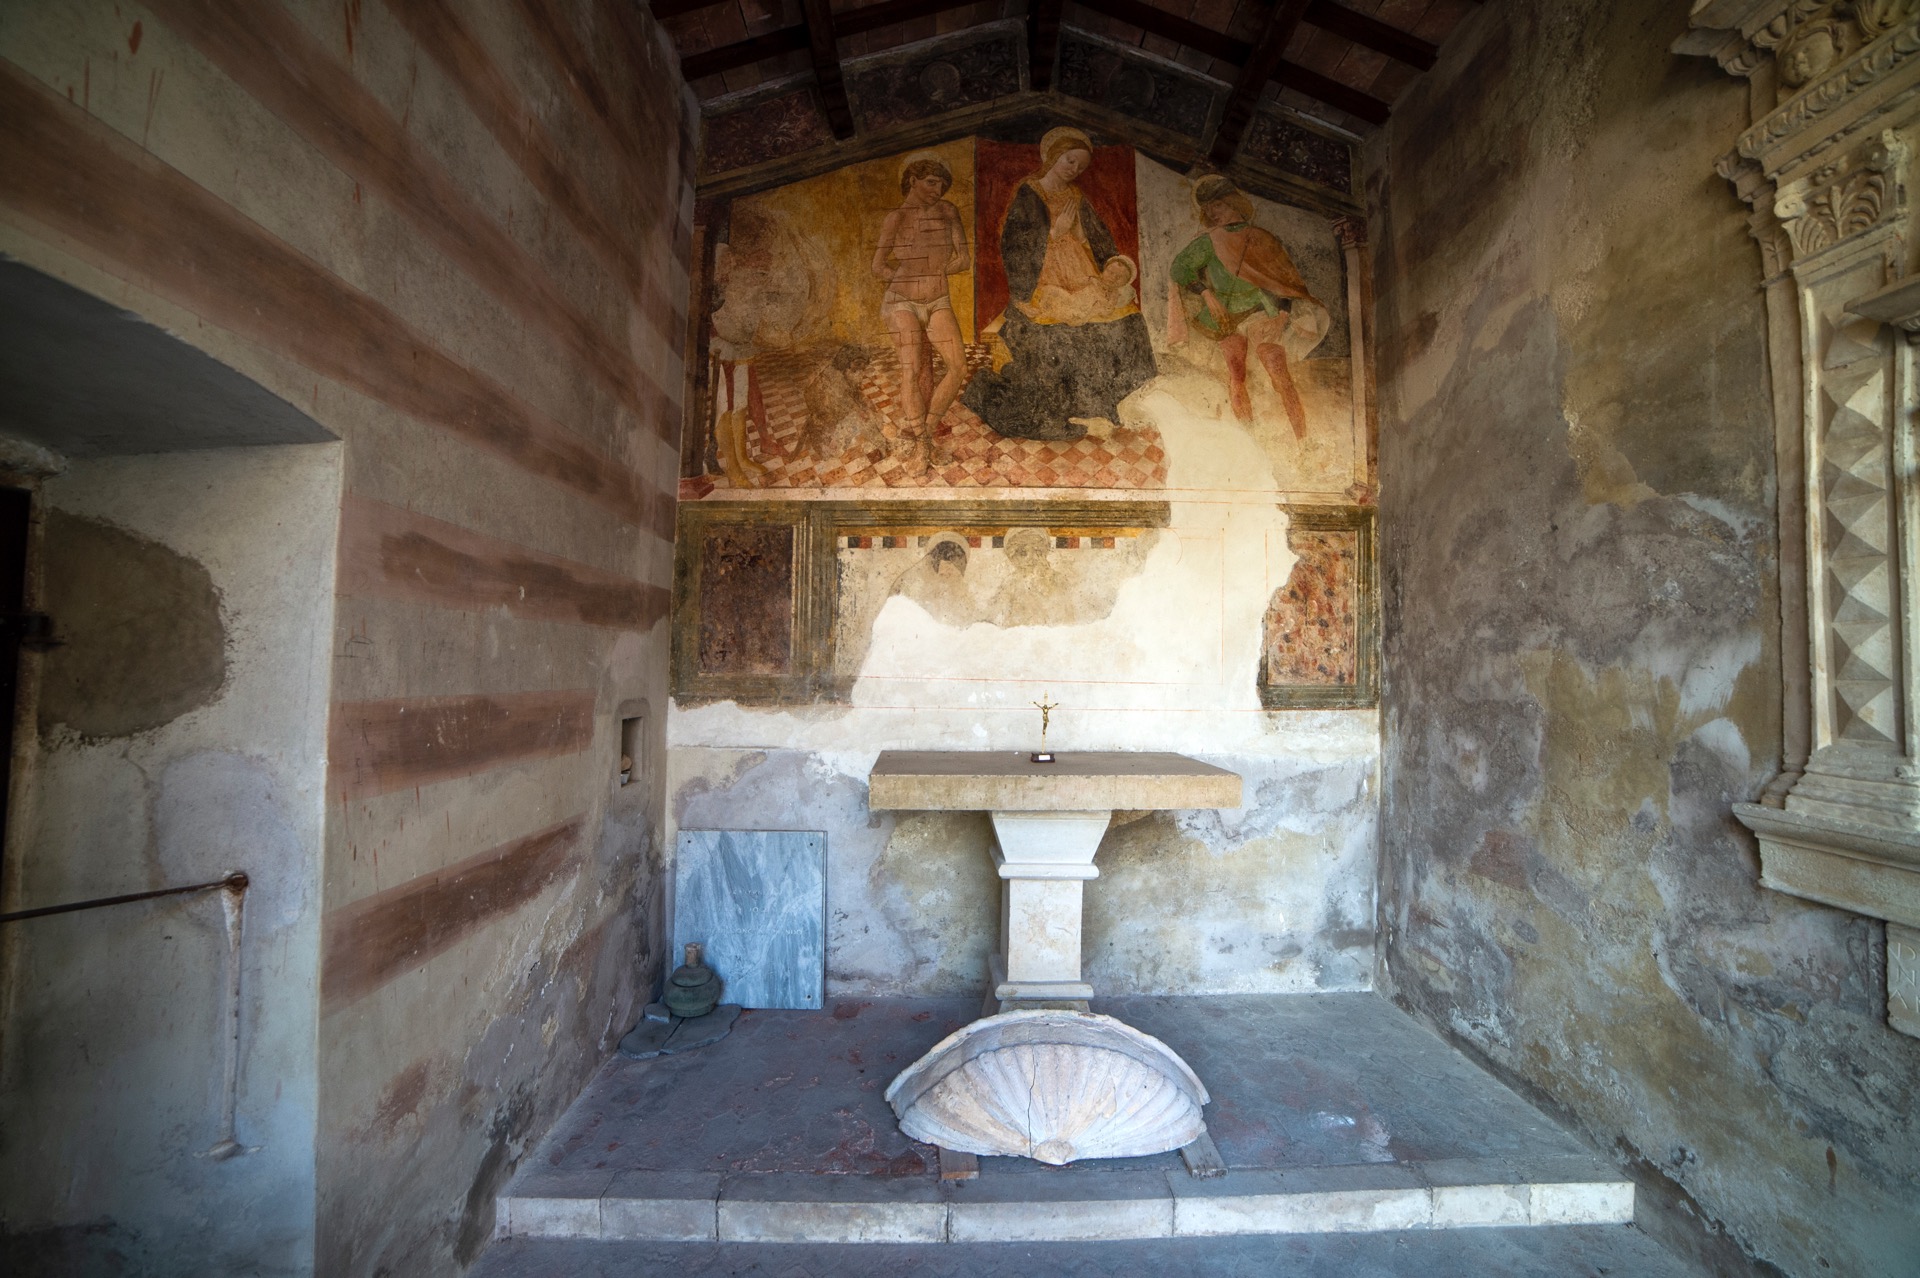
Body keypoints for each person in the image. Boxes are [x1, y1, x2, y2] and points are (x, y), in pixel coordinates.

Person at [963, 127, 1157, 442]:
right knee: (1061, 331)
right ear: (1054, 156)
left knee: (1128, 321)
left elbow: (1097, 236)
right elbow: (1015, 244)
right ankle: (1077, 407)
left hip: (1079, 271)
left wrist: (1096, 252)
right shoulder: (1030, 192)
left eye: (1080, 166)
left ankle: (1112, 403)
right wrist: (1054, 233)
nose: (1074, 169)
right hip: (1042, 278)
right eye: (1069, 160)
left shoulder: (1076, 196)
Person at [1168, 174, 1329, 437]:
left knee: (1280, 376)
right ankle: (1250, 439)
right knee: (1236, 376)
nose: (1213, 213)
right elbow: (1179, 268)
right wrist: (1207, 295)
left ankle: (1303, 440)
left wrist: (1282, 315)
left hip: (1260, 309)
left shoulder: (1261, 237)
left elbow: (1282, 280)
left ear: (1233, 202)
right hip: (1225, 315)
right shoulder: (1209, 240)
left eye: (1217, 205)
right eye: (1208, 208)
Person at [871, 152, 971, 474]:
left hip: (938, 300)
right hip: (901, 301)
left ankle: (924, 437)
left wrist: (939, 271)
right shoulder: (895, 219)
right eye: (931, 182)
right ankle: (922, 445)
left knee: (958, 367)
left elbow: (964, 259)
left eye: (941, 185)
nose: (937, 190)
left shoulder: (948, 212)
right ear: (912, 181)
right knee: (911, 370)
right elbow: (878, 266)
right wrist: (910, 277)